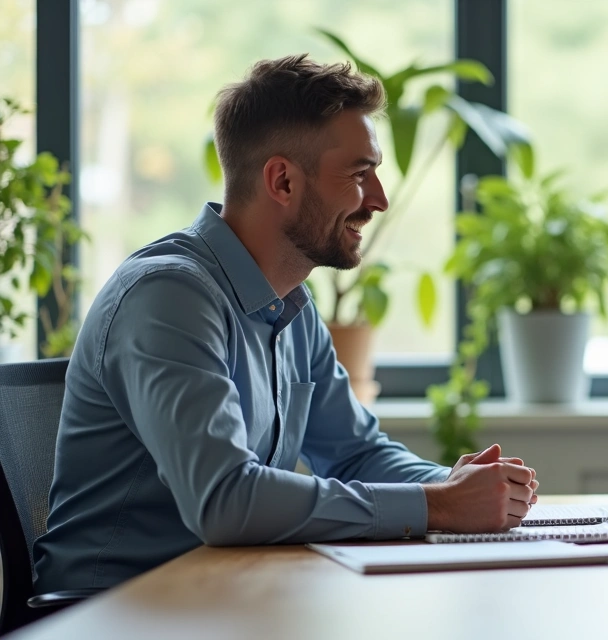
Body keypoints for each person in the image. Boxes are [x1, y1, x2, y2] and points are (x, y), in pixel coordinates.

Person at [33, 54, 539, 594]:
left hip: (222, 597)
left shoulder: (290, 305)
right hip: (112, 613)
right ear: (282, 181)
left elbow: (354, 453)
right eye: (359, 173)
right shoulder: (168, 296)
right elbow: (223, 500)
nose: (380, 200)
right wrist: (437, 505)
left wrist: (454, 484)